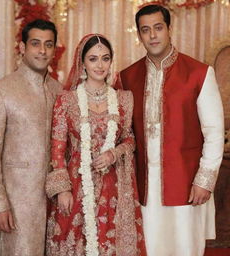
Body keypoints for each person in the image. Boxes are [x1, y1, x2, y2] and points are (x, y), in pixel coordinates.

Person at [114, 4, 224, 256]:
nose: (152, 35)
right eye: (145, 30)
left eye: (158, 28)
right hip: (144, 188)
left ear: (169, 29)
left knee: (186, 248)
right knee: (150, 249)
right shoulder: (127, 77)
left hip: (187, 183)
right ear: (139, 35)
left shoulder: (198, 73)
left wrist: (204, 180)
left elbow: (214, 132)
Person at [45, 34, 146, 256]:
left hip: (114, 186)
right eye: (93, 59)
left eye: (105, 58)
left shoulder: (123, 99)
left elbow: (130, 140)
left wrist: (113, 153)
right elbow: (58, 148)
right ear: (82, 62)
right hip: (77, 183)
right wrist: (62, 189)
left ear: (111, 61)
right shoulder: (67, 100)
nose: (100, 65)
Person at [0, 19, 61, 255]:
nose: (42, 50)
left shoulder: (59, 91)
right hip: (18, 204)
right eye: (35, 43)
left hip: (56, 204)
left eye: (48, 44)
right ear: (22, 47)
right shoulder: (0, 91)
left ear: (54, 49)